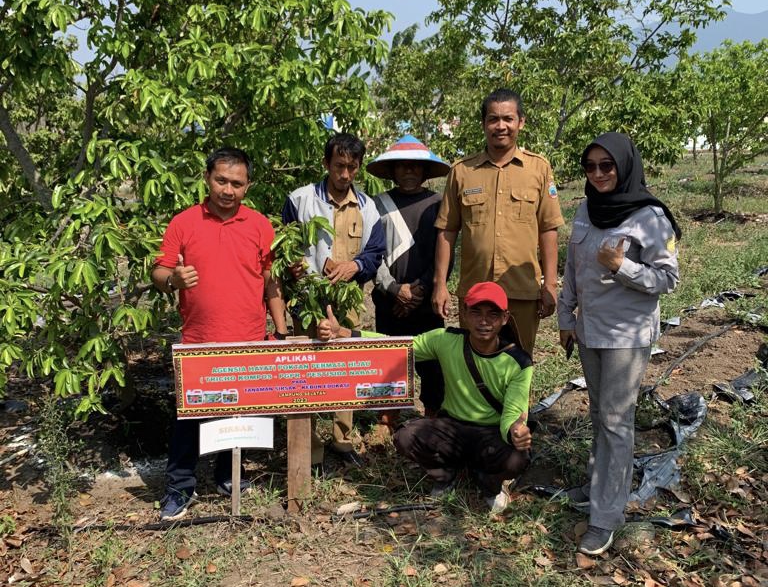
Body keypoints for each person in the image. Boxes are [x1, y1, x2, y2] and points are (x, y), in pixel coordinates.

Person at [557, 132, 681, 556]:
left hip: (627, 336)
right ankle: (599, 487)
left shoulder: (650, 216)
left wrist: (623, 266)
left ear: (624, 166)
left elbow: (667, 279)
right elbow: (572, 269)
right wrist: (564, 317)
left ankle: (607, 515)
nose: (598, 174)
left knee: (615, 420)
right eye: (590, 167)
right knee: (599, 414)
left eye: (606, 166)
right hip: (590, 330)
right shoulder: (585, 208)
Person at [151, 147, 288, 521]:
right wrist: (173, 279)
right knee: (187, 419)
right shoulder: (184, 222)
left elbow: (270, 280)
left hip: (247, 339)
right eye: (221, 180)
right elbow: (159, 271)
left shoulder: (260, 225)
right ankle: (180, 487)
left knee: (240, 415)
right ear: (208, 178)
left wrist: (279, 330)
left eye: (237, 183)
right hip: (198, 341)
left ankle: (229, 476)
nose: (228, 190)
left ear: (248, 186)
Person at [317, 281, 533, 513]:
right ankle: (445, 474)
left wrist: (514, 431)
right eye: (476, 312)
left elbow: (512, 413)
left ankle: (489, 483)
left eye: (493, 314)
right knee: (406, 437)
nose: (484, 321)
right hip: (452, 427)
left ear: (504, 318)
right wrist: (342, 333)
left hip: (491, 432)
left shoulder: (519, 362)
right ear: (464, 313)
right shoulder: (446, 340)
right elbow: (396, 346)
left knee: (517, 458)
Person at [432, 89, 564, 355]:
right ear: (483, 124)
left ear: (520, 122)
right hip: (475, 294)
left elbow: (548, 228)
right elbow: (447, 230)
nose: (500, 126)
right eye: (493, 119)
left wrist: (549, 285)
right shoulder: (462, 171)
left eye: (508, 118)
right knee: (474, 368)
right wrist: (440, 284)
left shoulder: (538, 168)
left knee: (519, 365)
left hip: (522, 292)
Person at [281, 132, 385, 469]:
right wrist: (293, 267)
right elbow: (285, 246)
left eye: (351, 168)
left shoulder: (368, 208)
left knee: (345, 368)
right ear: (326, 164)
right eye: (338, 166)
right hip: (306, 302)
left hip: (347, 303)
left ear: (358, 169)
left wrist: (353, 266)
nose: (344, 174)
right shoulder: (299, 200)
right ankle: (308, 447)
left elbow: (374, 253)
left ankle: (342, 440)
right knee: (306, 368)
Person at [367, 135, 451, 431]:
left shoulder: (440, 203)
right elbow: (371, 252)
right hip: (389, 299)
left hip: (427, 299)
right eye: (401, 167)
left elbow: (444, 251)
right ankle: (387, 417)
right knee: (390, 358)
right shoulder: (377, 205)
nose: (409, 172)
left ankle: (432, 414)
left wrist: (419, 290)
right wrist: (394, 290)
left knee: (432, 363)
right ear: (391, 172)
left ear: (425, 172)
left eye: (415, 167)